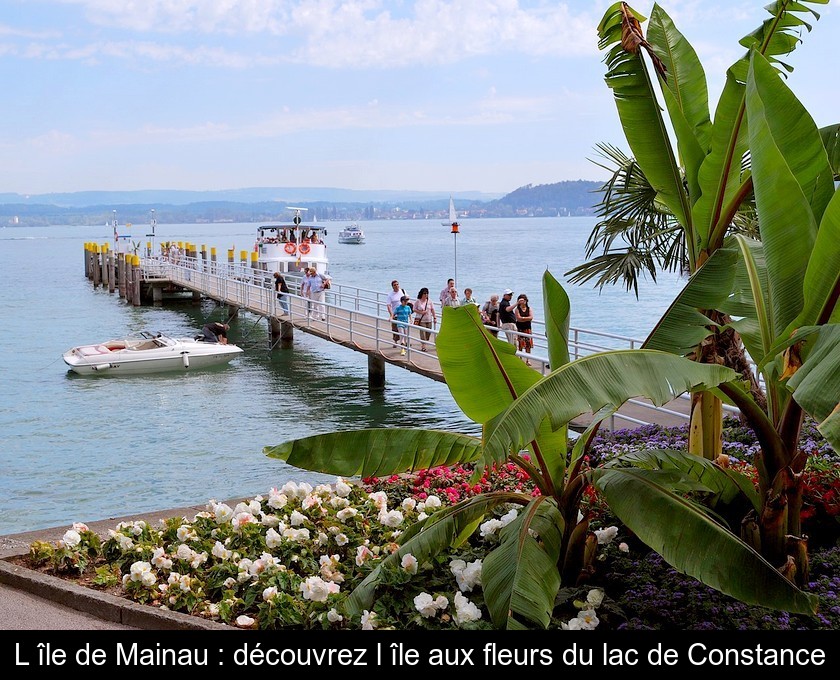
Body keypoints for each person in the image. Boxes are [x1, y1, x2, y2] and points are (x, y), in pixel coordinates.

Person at [413, 287, 436, 351]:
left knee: (428, 333)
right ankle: (423, 346)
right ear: (422, 294)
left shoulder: (429, 301)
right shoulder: (418, 301)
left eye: (427, 293)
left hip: (429, 319)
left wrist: (434, 317)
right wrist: (421, 312)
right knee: (422, 333)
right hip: (421, 320)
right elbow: (414, 309)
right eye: (425, 293)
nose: (426, 295)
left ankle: (425, 342)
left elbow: (432, 309)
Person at [514, 293, 534, 365]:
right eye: (521, 300)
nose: (523, 302)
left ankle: (528, 360)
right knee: (520, 344)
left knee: (528, 345)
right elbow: (518, 318)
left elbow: (531, 317)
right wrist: (526, 318)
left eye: (524, 300)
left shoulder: (529, 309)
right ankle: (520, 358)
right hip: (520, 329)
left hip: (527, 328)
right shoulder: (517, 309)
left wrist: (523, 318)